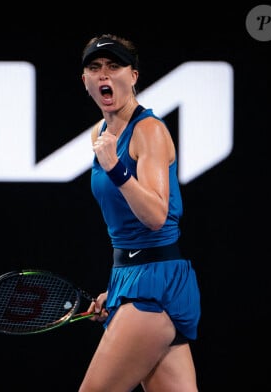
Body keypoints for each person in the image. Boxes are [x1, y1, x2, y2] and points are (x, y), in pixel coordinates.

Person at [78, 33, 201, 392]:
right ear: (84, 80)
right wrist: (115, 290)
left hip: (155, 288)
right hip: (131, 279)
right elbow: (126, 228)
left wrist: (117, 169)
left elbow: (155, 216)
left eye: (114, 66)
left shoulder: (149, 131)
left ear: (133, 76)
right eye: (95, 68)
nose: (104, 75)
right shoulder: (98, 134)